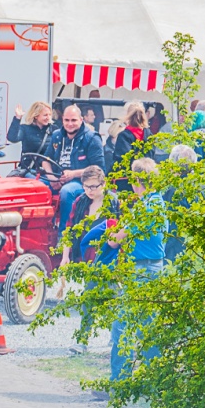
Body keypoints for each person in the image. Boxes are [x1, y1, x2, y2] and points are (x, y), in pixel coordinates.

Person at [79, 157, 164, 388]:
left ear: (138, 180)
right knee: (148, 325)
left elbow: (117, 240)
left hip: (142, 269)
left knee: (122, 326)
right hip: (153, 266)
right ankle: (157, 380)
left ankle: (120, 383)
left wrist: (105, 234)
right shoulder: (158, 202)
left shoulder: (145, 207)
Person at [49, 104, 107, 227]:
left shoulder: (91, 138)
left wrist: (73, 174)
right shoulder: (56, 135)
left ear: (81, 120)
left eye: (74, 120)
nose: (70, 124)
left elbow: (98, 168)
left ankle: (65, 235)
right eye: (67, 120)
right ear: (62, 120)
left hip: (81, 182)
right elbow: (46, 159)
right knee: (34, 187)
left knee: (67, 191)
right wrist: (52, 178)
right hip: (56, 177)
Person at [7, 101, 53, 168]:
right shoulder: (25, 128)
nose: (48, 117)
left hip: (48, 170)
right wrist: (17, 119)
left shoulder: (54, 129)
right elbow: (12, 138)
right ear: (36, 116)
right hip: (29, 169)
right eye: (45, 115)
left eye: (49, 115)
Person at [114, 101, 149, 169]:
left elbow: (121, 160)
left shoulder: (124, 136)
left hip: (129, 176)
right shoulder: (149, 134)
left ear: (128, 115)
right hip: (147, 174)